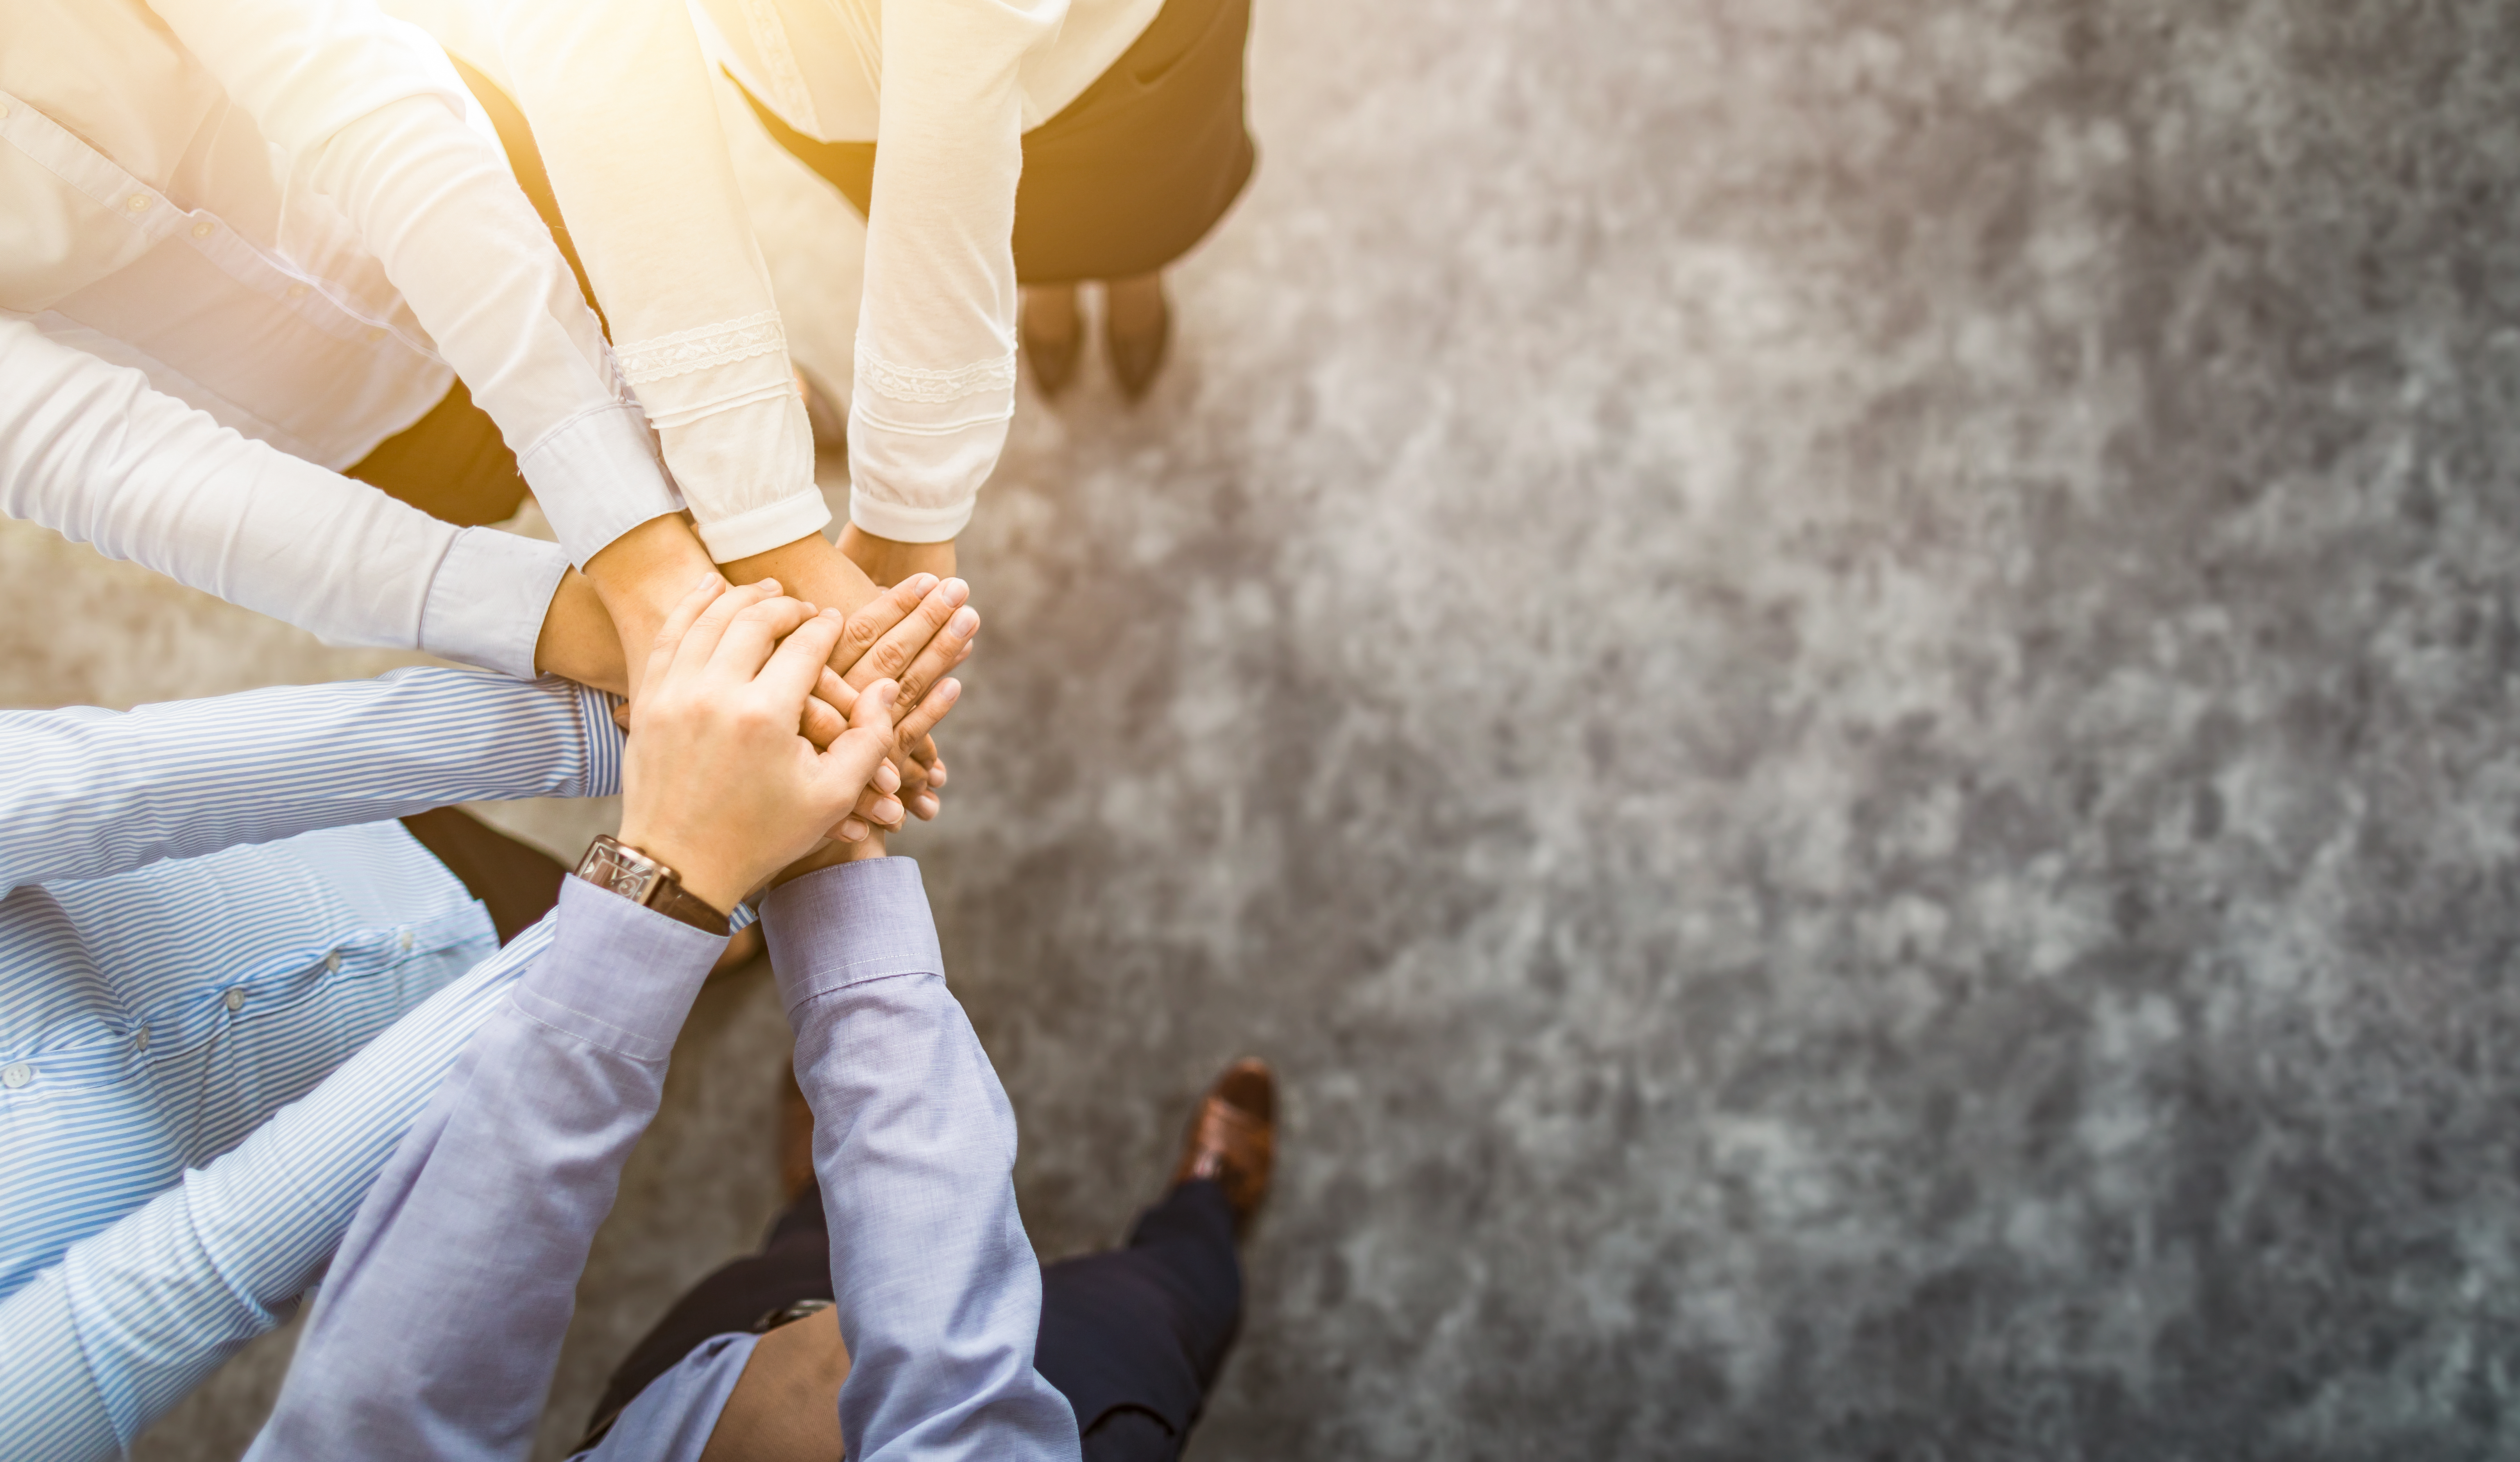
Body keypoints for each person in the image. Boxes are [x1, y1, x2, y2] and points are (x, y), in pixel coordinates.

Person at [242, 576, 1275, 1462]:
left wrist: (677, 875)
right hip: (1079, 1405)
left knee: (790, 1258)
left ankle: (816, 1205)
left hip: (690, 1405)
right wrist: (825, 877)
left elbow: (381, 1419)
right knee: (1156, 1304)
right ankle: (1203, 1213)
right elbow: (957, 1414)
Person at [0, 574, 972, 1462]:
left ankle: (710, 932)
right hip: (364, 1115)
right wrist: (677, 879)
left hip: (328, 854)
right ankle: (709, 928)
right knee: (590, 1012)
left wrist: (620, 731)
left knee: (551, 893)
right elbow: (206, 1261)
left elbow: (105, 783)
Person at [476, 0, 1258, 604]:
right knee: (1021, 240)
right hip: (833, 89)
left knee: (1150, 202)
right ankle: (1047, 287)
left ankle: (1138, 275)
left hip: (1102, 48)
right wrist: (759, 510)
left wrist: (911, 482)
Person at [575, 1056, 1274, 1460]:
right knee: (1152, 1305)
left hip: (729, 1374)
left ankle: (829, 1193)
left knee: (812, 1248)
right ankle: (1207, 1209)